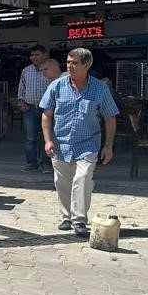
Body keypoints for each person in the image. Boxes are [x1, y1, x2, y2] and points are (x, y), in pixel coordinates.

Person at [40, 47, 118, 238]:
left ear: (87, 65)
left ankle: (79, 220)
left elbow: (109, 118)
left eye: (74, 63)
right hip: (60, 144)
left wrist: (108, 146)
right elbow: (47, 114)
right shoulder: (57, 86)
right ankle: (66, 217)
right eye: (68, 62)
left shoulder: (100, 89)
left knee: (82, 179)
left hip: (88, 144)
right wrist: (48, 140)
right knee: (62, 182)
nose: (69, 66)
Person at [18, 44, 51, 173]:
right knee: (30, 137)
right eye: (32, 55)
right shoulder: (26, 70)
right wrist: (21, 102)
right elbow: (22, 87)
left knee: (47, 136)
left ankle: (46, 164)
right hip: (30, 108)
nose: (34, 57)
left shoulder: (50, 69)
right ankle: (31, 163)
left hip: (47, 109)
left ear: (45, 55)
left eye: (37, 54)